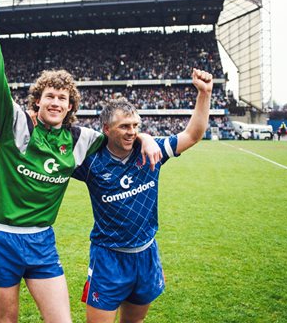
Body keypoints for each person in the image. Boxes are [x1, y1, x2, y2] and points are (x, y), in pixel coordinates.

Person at [0, 0, 162, 323]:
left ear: (71, 105)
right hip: (1, 236)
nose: (56, 102)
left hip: (42, 241)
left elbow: (122, 134)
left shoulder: (81, 140)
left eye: (62, 97)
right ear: (37, 101)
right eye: (49, 96)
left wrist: (146, 135)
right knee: (6, 321)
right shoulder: (13, 125)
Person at [73, 68, 213, 323]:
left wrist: (204, 93)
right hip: (108, 257)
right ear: (106, 128)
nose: (132, 132)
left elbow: (192, 135)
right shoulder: (90, 161)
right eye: (124, 126)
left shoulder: (152, 152)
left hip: (146, 255)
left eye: (136, 126)